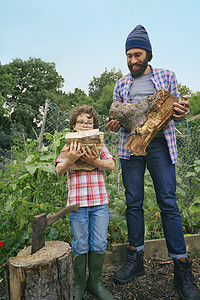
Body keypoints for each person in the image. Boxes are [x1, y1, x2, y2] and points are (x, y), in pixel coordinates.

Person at [106, 25, 200, 300]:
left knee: (168, 202)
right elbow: (117, 117)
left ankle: (182, 268)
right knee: (133, 202)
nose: (132, 60)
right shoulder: (121, 84)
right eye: (128, 55)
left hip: (160, 144)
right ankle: (135, 260)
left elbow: (176, 112)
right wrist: (114, 123)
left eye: (137, 54)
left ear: (148, 54)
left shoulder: (167, 76)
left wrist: (181, 112)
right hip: (132, 146)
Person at [55, 105, 115, 300]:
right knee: (80, 244)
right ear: (74, 125)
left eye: (89, 122)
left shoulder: (100, 146)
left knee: (99, 243)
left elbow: (111, 165)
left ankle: (94, 283)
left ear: (94, 126)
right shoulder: (68, 147)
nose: (85, 125)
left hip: (99, 202)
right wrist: (71, 159)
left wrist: (96, 161)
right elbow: (59, 170)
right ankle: (79, 283)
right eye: (81, 122)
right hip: (77, 204)